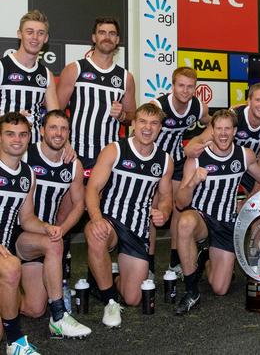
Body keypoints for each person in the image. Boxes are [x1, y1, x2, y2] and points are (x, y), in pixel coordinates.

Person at [174, 109, 260, 315]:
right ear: (211, 130)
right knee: (185, 222)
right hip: (201, 218)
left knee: (220, 288)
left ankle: (205, 259)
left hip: (226, 223)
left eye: (227, 129)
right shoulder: (197, 158)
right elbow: (181, 202)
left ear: (235, 131)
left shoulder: (244, 155)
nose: (222, 133)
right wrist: (193, 181)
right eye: (218, 128)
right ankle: (192, 291)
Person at [84, 104, 173, 327]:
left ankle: (105, 275)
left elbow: (165, 198)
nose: (147, 127)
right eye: (142, 121)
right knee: (96, 235)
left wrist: (164, 212)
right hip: (111, 221)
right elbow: (93, 188)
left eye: (153, 123)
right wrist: (96, 218)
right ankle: (110, 301)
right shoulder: (114, 150)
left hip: (138, 228)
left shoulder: (164, 160)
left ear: (160, 128)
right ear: (133, 124)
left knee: (133, 298)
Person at [18, 110, 89, 338]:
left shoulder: (73, 165)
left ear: (69, 133)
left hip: (42, 236)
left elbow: (79, 205)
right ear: (41, 131)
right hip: (17, 232)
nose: (58, 133)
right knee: (53, 244)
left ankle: (7, 295)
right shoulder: (25, 154)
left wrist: (62, 229)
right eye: (53, 127)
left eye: (63, 129)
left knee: (35, 308)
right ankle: (59, 316)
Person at [0, 112, 62, 354]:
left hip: (4, 251)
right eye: (10, 134)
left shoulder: (27, 174)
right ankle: (15, 342)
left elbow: (26, 219)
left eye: (23, 134)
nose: (17, 140)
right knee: (12, 266)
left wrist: (46, 227)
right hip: (5, 258)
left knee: (36, 307)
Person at [57, 16, 136, 178]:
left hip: (109, 155)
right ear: (94, 37)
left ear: (118, 39)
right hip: (75, 151)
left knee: (100, 202)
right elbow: (56, 112)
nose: (107, 37)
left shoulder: (125, 77)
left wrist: (122, 115)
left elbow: (132, 116)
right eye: (102, 32)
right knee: (74, 202)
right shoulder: (75, 69)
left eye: (112, 33)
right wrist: (64, 143)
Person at [150, 66, 211, 276]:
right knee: (152, 210)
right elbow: (140, 130)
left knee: (178, 210)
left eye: (190, 87)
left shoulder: (198, 107)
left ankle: (174, 262)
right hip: (154, 161)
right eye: (181, 86)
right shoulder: (158, 106)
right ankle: (148, 265)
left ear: (195, 88)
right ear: (173, 86)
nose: (185, 91)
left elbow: (209, 121)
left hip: (176, 160)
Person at [186, 83, 260, 193]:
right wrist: (188, 149)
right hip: (228, 161)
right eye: (258, 100)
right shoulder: (234, 115)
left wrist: (254, 193)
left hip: (253, 166)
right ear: (248, 101)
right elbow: (202, 139)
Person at [0, 10, 59, 143]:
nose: (35, 37)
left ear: (46, 38)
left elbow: (55, 119)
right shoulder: (2, 67)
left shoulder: (46, 74)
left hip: (34, 149)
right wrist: (12, 120)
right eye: (29, 32)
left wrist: (65, 145)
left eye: (40, 33)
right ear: (19, 34)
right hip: (4, 148)